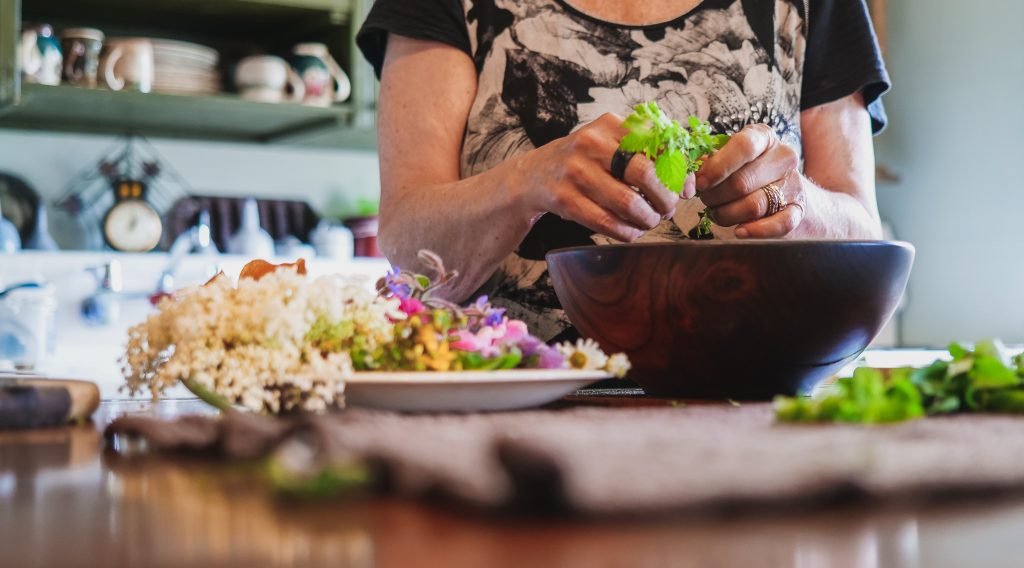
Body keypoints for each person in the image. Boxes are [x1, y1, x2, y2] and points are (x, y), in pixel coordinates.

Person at [357, 0, 890, 341]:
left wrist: (796, 202)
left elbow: (863, 236)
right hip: (506, 399)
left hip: (750, 402)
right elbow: (409, 244)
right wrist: (525, 182)